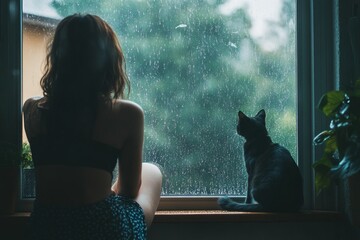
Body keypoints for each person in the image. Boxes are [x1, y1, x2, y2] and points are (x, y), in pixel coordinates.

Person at [22, 13, 162, 239]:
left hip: (46, 226)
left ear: (57, 58)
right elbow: (128, 191)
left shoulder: (30, 109)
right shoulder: (127, 113)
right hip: (103, 229)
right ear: (108, 60)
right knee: (151, 171)